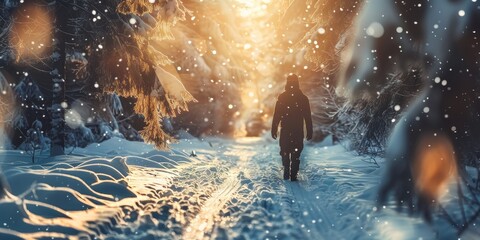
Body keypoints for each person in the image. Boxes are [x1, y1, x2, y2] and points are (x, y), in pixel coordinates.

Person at [271, 74, 313, 181]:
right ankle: (293, 174)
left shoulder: (282, 97)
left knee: (285, 150)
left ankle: (287, 170)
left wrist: (274, 128)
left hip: (286, 130)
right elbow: (307, 117)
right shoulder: (303, 98)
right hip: (297, 130)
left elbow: (277, 115)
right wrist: (309, 130)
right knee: (296, 152)